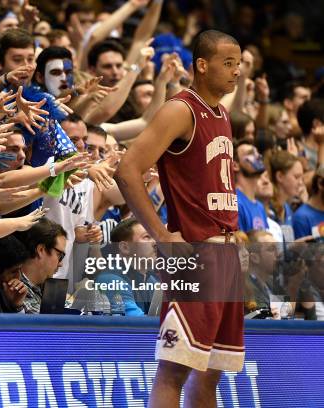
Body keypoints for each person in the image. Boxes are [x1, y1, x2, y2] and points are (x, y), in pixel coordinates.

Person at [114, 30, 244, 407]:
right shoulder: (179, 109)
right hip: (195, 254)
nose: (236, 72)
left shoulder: (220, 114)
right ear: (202, 65)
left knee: (210, 373)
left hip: (224, 254)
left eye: (238, 63)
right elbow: (128, 169)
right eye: (228, 63)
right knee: (174, 370)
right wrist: (162, 234)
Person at [95, 218, 160, 316]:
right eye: (147, 237)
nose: (155, 243)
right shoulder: (111, 280)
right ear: (125, 247)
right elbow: (135, 324)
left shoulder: (150, 280)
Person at [13, 218, 67, 314]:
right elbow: (46, 325)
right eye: (60, 255)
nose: (60, 264)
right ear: (41, 250)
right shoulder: (15, 290)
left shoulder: (47, 288)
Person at [234, 140, 269, 232]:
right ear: (235, 165)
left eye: (257, 152)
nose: (258, 156)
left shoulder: (260, 206)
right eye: (251, 153)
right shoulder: (236, 204)